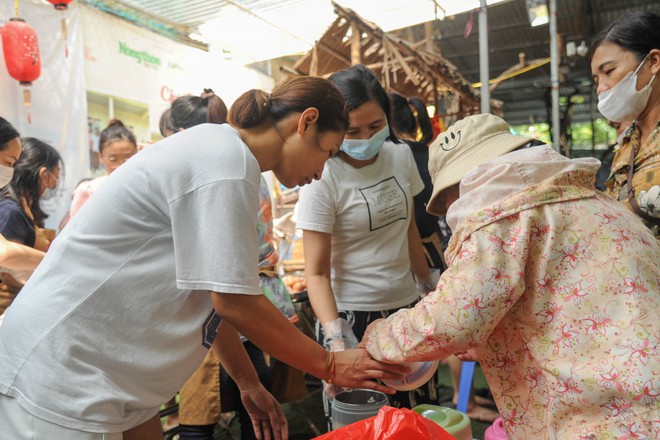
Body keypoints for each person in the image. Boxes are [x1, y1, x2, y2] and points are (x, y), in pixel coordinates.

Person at [0, 76, 408, 440]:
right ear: (306, 123)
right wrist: (330, 364)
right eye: (329, 150)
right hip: (64, 375)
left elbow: (213, 297)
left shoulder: (230, 160)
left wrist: (248, 382)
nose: (321, 173)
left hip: (109, 380)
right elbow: (234, 302)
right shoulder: (225, 161)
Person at [362, 113, 660, 438]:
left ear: (473, 180)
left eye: (449, 193)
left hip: (604, 417)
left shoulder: (501, 218)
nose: (449, 205)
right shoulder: (596, 203)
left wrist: (378, 337)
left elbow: (452, 318)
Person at [296, 65, 437, 412]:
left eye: (375, 127)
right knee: (362, 424)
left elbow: (408, 230)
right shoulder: (322, 176)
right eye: (352, 131)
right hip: (350, 318)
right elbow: (315, 273)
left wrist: (428, 288)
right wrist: (336, 339)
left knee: (415, 418)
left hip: (405, 312)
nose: (365, 139)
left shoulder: (399, 156)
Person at [164, 89, 302, 440]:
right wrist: (327, 364)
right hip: (237, 303)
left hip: (228, 305)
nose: (314, 176)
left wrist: (328, 364)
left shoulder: (231, 168)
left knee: (209, 415)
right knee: (251, 407)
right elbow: (221, 293)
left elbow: (219, 292)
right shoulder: (235, 167)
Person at [388, 92, 499, 423]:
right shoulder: (429, 151)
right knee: (465, 333)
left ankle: (464, 401)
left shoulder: (398, 156)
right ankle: (465, 398)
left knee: (455, 335)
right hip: (440, 245)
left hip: (419, 254)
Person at [590, 10, 659, 238]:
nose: (601, 88)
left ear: (654, 61)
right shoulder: (627, 144)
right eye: (597, 79)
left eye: (608, 71)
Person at [0, 137, 62, 316]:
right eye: (55, 175)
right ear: (43, 174)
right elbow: (7, 262)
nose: (55, 183)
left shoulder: (27, 209)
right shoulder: (9, 210)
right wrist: (55, 262)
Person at [0, 118, 46, 318]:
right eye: (8, 162)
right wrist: (55, 261)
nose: (9, 171)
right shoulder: (11, 209)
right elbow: (5, 253)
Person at [66, 119, 138, 221]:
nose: (121, 165)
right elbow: (75, 232)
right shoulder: (88, 191)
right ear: (101, 156)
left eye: (127, 159)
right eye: (113, 159)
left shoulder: (147, 189)